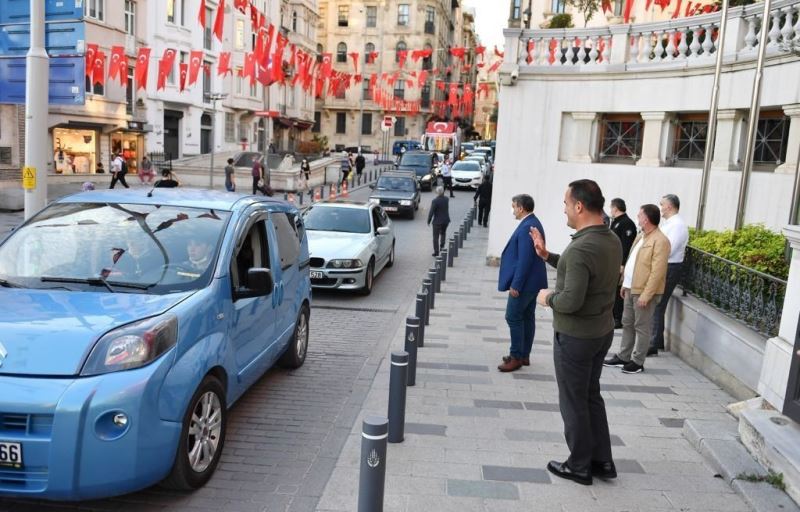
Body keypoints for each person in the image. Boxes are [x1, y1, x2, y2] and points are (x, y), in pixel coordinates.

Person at [530, 179, 622, 486]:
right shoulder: (608, 238)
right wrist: (549, 256)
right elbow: (581, 271)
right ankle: (602, 460)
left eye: (567, 204)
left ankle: (579, 465)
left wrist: (546, 298)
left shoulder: (583, 246)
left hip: (576, 337)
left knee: (573, 400)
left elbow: (570, 299)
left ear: (579, 206)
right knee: (590, 396)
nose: (565, 209)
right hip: (600, 333)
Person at [604, 204, 670, 374]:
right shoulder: (641, 236)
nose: (637, 217)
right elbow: (632, 261)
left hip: (644, 292)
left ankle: (637, 361)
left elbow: (657, 272)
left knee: (641, 326)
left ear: (647, 219)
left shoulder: (660, 241)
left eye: (640, 215)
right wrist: (625, 284)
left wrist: (647, 294)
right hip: (631, 288)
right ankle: (624, 356)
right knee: (627, 323)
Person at [497, 194, 547, 372]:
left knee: (513, 316)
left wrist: (516, 285)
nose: (512, 209)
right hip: (532, 282)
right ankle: (524, 354)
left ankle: (516, 356)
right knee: (526, 317)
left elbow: (525, 259)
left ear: (521, 208)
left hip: (525, 284)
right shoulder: (532, 222)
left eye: (513, 206)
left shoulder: (527, 226)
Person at [649, 194, 689, 356]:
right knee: (657, 303)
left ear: (670, 207)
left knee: (658, 303)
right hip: (665, 266)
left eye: (662, 204)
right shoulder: (670, 224)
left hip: (670, 267)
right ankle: (656, 341)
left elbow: (667, 248)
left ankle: (654, 342)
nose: (660, 208)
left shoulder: (677, 225)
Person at [609, 198, 637, 328]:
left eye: (611, 208)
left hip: (619, 263)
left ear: (615, 208)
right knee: (613, 290)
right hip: (613, 261)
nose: (610, 210)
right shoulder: (616, 222)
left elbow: (626, 246)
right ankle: (612, 315)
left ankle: (617, 318)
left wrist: (622, 264)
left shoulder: (627, 223)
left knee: (618, 291)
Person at [427, 186, 450, 257]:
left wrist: (429, 220)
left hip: (437, 222)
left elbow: (431, 212)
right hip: (446, 220)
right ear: (443, 192)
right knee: (443, 233)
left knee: (435, 237)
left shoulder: (435, 201)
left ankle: (436, 252)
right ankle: (442, 246)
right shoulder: (447, 199)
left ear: (437, 192)